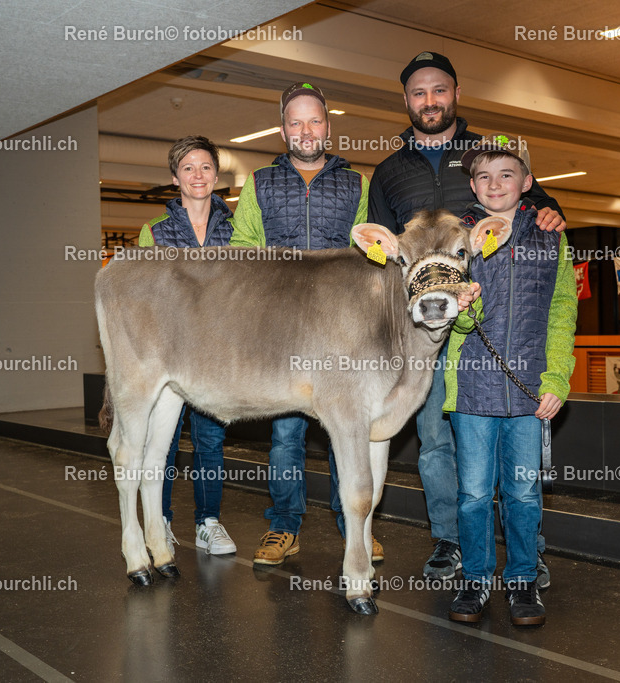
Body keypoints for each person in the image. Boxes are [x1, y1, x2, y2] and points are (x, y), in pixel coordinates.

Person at [368, 50, 565, 581]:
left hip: (495, 336)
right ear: (407, 100)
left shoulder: (487, 157)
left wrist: (553, 212)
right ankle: (451, 541)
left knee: (508, 455)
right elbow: (384, 261)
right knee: (435, 445)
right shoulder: (387, 172)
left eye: (439, 90)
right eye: (418, 92)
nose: (429, 101)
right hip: (426, 339)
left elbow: (535, 205)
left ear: (455, 92)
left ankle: (528, 549)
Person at [229, 82, 382, 566]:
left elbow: (371, 257)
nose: (305, 130)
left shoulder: (357, 184)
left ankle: (354, 529)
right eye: (295, 122)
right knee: (285, 436)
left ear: (328, 127)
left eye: (314, 120)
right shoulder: (259, 183)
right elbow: (241, 250)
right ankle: (283, 528)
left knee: (346, 430)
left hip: (342, 331)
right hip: (285, 329)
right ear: (282, 130)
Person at [442, 136, 577, 626]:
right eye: (483, 176)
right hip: (472, 391)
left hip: (528, 389)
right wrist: (464, 306)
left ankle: (522, 583)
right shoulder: (458, 236)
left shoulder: (551, 234)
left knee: (523, 495)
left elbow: (563, 311)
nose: (494, 184)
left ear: (528, 182)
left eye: (506, 174)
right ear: (472, 184)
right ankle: (475, 582)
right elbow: (451, 326)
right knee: (474, 494)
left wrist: (558, 378)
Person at [137, 135, 237, 557]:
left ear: (216, 175)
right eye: (189, 168)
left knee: (210, 441)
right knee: (162, 440)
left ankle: (207, 522)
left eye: (206, 167)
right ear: (174, 177)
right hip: (169, 356)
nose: (198, 175)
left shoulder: (236, 231)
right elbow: (141, 299)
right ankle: (158, 521)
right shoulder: (155, 233)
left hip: (217, 354)